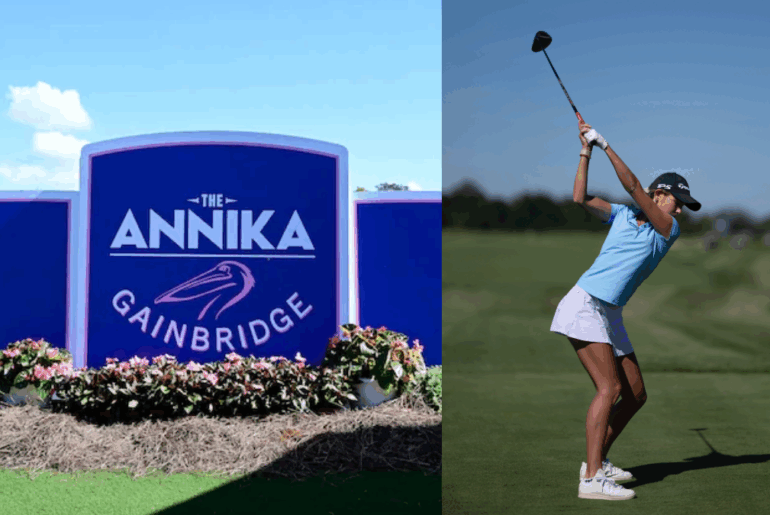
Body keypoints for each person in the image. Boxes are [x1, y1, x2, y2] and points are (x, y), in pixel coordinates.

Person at [550, 122, 702, 501]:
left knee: (634, 393)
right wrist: (586, 150)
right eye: (676, 199)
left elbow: (634, 186)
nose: (680, 208)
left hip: (610, 311)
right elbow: (579, 198)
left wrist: (605, 144)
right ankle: (591, 479)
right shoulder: (620, 214)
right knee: (610, 387)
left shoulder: (668, 228)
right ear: (660, 192)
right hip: (585, 304)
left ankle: (596, 461)